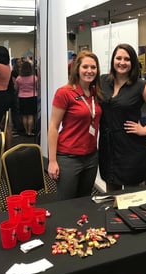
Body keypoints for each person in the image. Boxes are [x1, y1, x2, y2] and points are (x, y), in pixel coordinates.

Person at [99, 43, 146, 192]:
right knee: (111, 194)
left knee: (132, 197)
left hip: (130, 147)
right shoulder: (103, 81)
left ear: (132, 62)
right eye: (118, 58)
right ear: (113, 60)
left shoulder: (141, 86)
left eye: (127, 59)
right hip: (108, 147)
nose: (122, 62)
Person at [48, 50, 102, 200]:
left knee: (84, 200)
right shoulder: (64, 92)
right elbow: (53, 127)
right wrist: (52, 161)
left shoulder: (95, 93)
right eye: (85, 67)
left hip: (91, 157)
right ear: (77, 68)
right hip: (69, 157)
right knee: (67, 202)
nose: (89, 71)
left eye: (93, 67)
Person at [14, 61, 38, 136]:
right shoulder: (34, 78)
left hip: (22, 97)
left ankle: (26, 131)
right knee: (30, 116)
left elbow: (16, 88)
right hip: (32, 97)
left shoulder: (19, 78)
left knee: (24, 115)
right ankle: (30, 132)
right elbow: (37, 87)